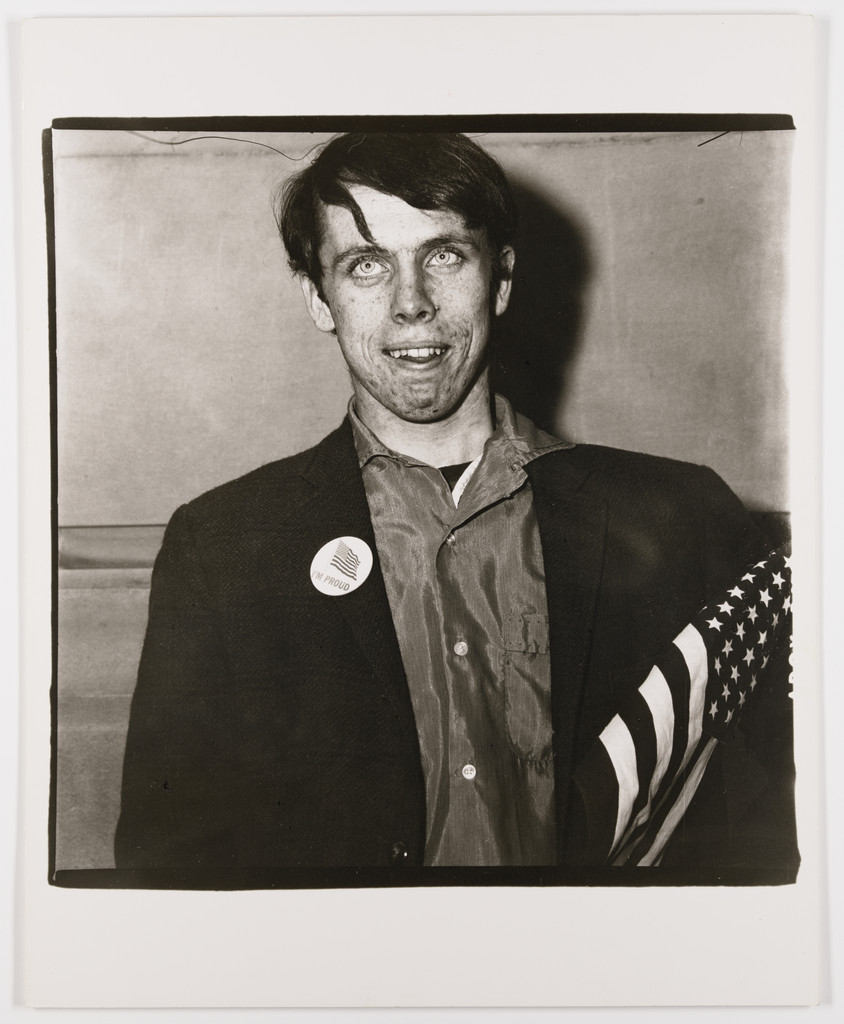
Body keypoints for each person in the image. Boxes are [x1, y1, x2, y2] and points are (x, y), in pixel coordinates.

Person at [114, 132, 796, 879]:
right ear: (317, 298)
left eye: (444, 255)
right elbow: (170, 867)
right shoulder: (225, 548)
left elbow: (776, 821)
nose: (412, 304)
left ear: (500, 280)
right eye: (366, 265)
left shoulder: (682, 520)